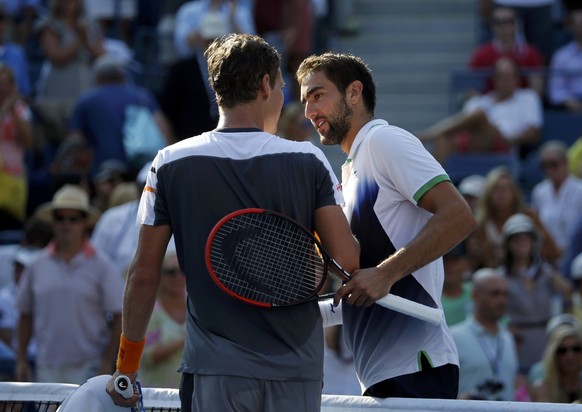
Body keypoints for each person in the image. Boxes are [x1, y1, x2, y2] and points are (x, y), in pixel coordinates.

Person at [105, 33, 360, 411]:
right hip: (296, 367)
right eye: (281, 87)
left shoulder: (169, 162)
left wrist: (126, 367)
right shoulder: (308, 160)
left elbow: (143, 273)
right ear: (263, 85)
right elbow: (348, 261)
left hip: (216, 368)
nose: (283, 98)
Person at [296, 52, 476, 399]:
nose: (309, 112)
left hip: (417, 366)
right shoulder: (350, 171)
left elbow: (459, 216)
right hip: (382, 373)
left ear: (353, 93)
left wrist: (385, 274)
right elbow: (364, 287)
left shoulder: (384, 141)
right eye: (305, 101)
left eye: (318, 95)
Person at [15, 184, 124, 384]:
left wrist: (107, 361)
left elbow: (120, 316)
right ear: (52, 222)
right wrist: (20, 360)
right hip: (46, 365)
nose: (66, 224)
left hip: (89, 366)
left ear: (84, 223)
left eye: (73, 218)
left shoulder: (102, 265)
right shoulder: (36, 265)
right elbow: (25, 316)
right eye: (60, 218)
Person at [419, 57, 542, 164]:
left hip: (503, 144)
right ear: (494, 79)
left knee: (480, 114)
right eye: (502, 77)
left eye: (510, 77)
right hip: (472, 142)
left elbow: (534, 134)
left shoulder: (528, 98)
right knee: (443, 140)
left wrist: (512, 139)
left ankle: (429, 135)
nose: (506, 82)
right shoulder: (479, 100)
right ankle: (438, 185)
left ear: (517, 79)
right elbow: (462, 127)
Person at [65, 54, 172, 177]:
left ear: (96, 77)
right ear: (122, 75)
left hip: (102, 172)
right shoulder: (142, 96)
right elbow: (163, 130)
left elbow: (75, 139)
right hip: (141, 168)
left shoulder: (86, 100)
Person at [499, 213, 573, 375]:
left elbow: (568, 292)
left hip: (545, 339)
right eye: (516, 238)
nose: (522, 242)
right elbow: (496, 309)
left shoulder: (547, 273)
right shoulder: (501, 277)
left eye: (526, 237)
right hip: (516, 341)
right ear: (508, 244)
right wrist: (506, 326)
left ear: (534, 242)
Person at [467, 166, 561, 269]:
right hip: (495, 276)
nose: (501, 193)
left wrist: (527, 251)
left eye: (505, 188)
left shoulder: (530, 217)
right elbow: (473, 263)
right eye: (496, 189)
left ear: (514, 192)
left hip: (530, 273)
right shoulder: (481, 223)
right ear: (488, 194)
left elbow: (553, 252)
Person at [451, 267, 518, 401]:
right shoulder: (453, 338)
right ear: (475, 295)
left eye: (505, 294)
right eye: (495, 293)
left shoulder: (507, 337)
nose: (502, 300)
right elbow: (439, 393)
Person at [469, 5, 544, 95]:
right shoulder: (481, 54)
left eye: (507, 21)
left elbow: (536, 88)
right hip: (492, 102)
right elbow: (472, 89)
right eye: (497, 22)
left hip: (521, 101)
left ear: (516, 24)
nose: (502, 26)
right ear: (492, 25)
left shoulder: (530, 53)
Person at [139, 251, 186, 389]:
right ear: (161, 275)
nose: (178, 277)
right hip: (154, 395)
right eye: (171, 272)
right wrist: (184, 340)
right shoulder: (150, 311)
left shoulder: (196, 308)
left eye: (182, 270)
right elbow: (146, 358)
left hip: (188, 396)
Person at [531, 140, 582, 257]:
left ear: (565, 163)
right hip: (548, 255)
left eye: (554, 164)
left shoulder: (580, 189)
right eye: (544, 165)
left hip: (577, 252)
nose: (549, 170)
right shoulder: (539, 191)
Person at [0, 63, 33, 231]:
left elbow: (28, 142)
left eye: (6, 84)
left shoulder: (20, 110)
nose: (3, 89)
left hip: (14, 174)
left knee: (11, 224)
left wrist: (12, 110)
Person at [530, 323, 582, 403]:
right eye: (562, 350)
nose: (570, 356)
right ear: (553, 354)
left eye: (576, 349)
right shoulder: (543, 388)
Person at [548, 7, 582, 111]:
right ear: (571, 27)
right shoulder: (561, 56)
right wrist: (574, 104)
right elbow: (555, 91)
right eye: (577, 24)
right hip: (570, 108)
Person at [441, 243, 474, 327]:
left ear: (467, 263)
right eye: (445, 260)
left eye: (455, 260)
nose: (449, 266)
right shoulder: (429, 299)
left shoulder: (479, 292)